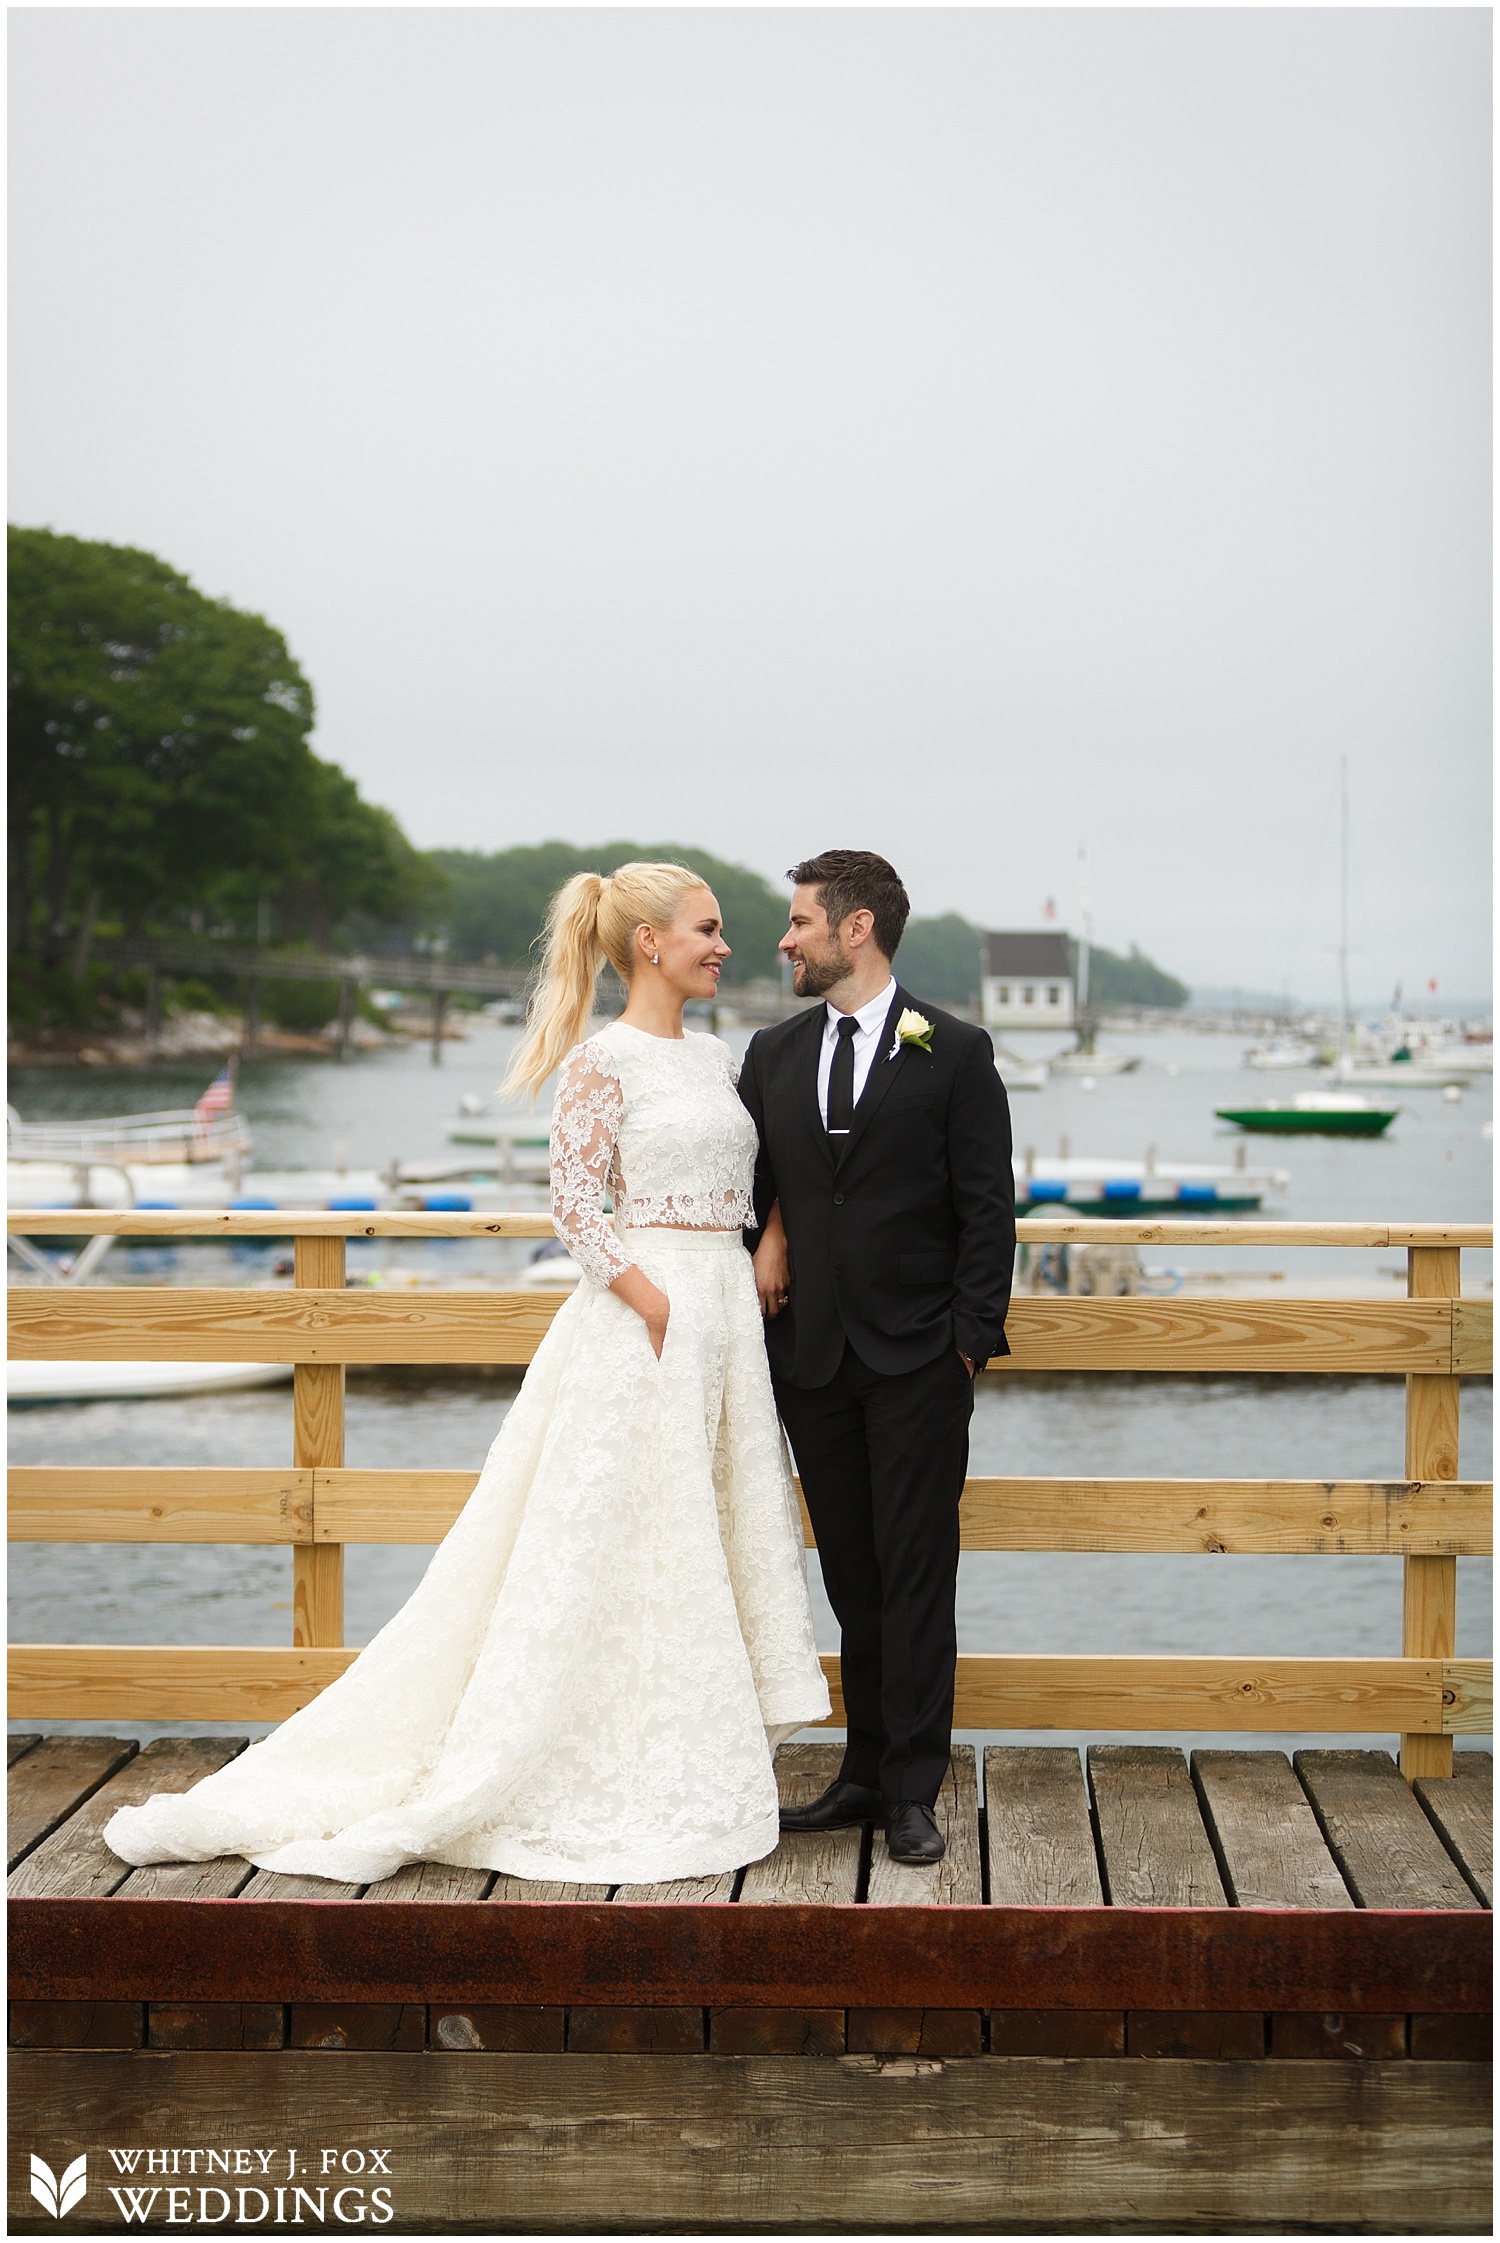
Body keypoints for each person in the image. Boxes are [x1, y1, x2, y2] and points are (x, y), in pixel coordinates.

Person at [105, 863, 829, 1887]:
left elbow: (760, 1176)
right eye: (709, 929)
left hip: (723, 1321)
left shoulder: (717, 1057)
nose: (725, 946)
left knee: (695, 1535)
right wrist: (656, 1298)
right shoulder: (599, 1062)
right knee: (614, 1542)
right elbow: (576, 1208)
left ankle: (674, 1745)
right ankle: (538, 1762)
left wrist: (766, 1245)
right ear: (648, 944)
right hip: (644, 1324)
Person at [737, 850, 1014, 1867]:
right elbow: (762, 1183)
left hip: (920, 1362)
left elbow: (989, 1210)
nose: (786, 937)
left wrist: (968, 1344)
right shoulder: (773, 1051)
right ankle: (858, 1772)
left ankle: (910, 1787)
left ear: (857, 929)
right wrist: (771, 1233)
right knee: (852, 1576)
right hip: (812, 1357)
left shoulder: (956, 1049)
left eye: (801, 920)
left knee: (915, 1576)